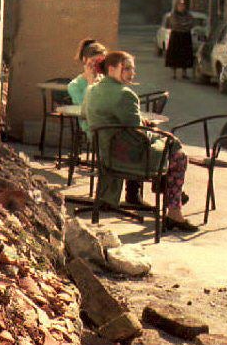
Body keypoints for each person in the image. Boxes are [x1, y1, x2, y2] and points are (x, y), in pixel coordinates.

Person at [83, 51, 196, 231]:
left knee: (167, 148)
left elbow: (85, 115)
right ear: (111, 69)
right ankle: (174, 211)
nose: (131, 73)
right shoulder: (126, 94)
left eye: (132, 69)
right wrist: (157, 134)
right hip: (124, 157)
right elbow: (138, 134)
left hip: (103, 151)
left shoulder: (91, 89)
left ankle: (167, 193)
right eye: (126, 69)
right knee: (178, 154)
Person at [69, 39, 145, 206]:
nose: (98, 66)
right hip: (92, 129)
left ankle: (132, 192)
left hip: (109, 130)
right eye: (94, 62)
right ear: (85, 61)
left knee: (130, 135)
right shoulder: (78, 85)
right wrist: (91, 82)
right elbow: (86, 110)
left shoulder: (111, 85)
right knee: (135, 140)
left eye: (102, 61)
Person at [165, 0, 195, 79]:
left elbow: (191, 23)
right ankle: (174, 73)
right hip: (176, 36)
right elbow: (174, 24)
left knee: (185, 54)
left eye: (183, 5)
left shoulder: (188, 15)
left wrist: (184, 25)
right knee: (174, 54)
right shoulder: (173, 15)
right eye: (180, 5)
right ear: (177, 6)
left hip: (185, 36)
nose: (182, 7)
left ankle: (184, 73)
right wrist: (183, 24)